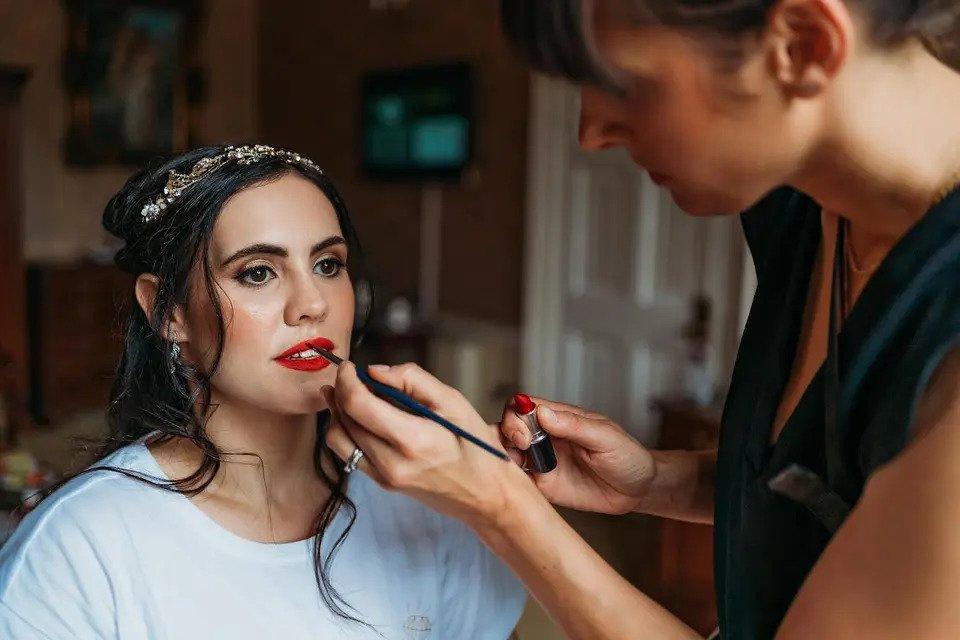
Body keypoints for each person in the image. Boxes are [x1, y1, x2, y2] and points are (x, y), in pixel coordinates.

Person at [322, 1, 960, 638]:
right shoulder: (800, 207)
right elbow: (827, 486)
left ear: (801, 46)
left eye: (623, 83)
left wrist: (496, 505)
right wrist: (656, 483)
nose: (590, 133)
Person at [0, 145, 525, 639]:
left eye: (328, 265)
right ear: (169, 311)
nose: (312, 304)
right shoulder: (75, 550)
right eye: (258, 273)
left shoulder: (426, 507)